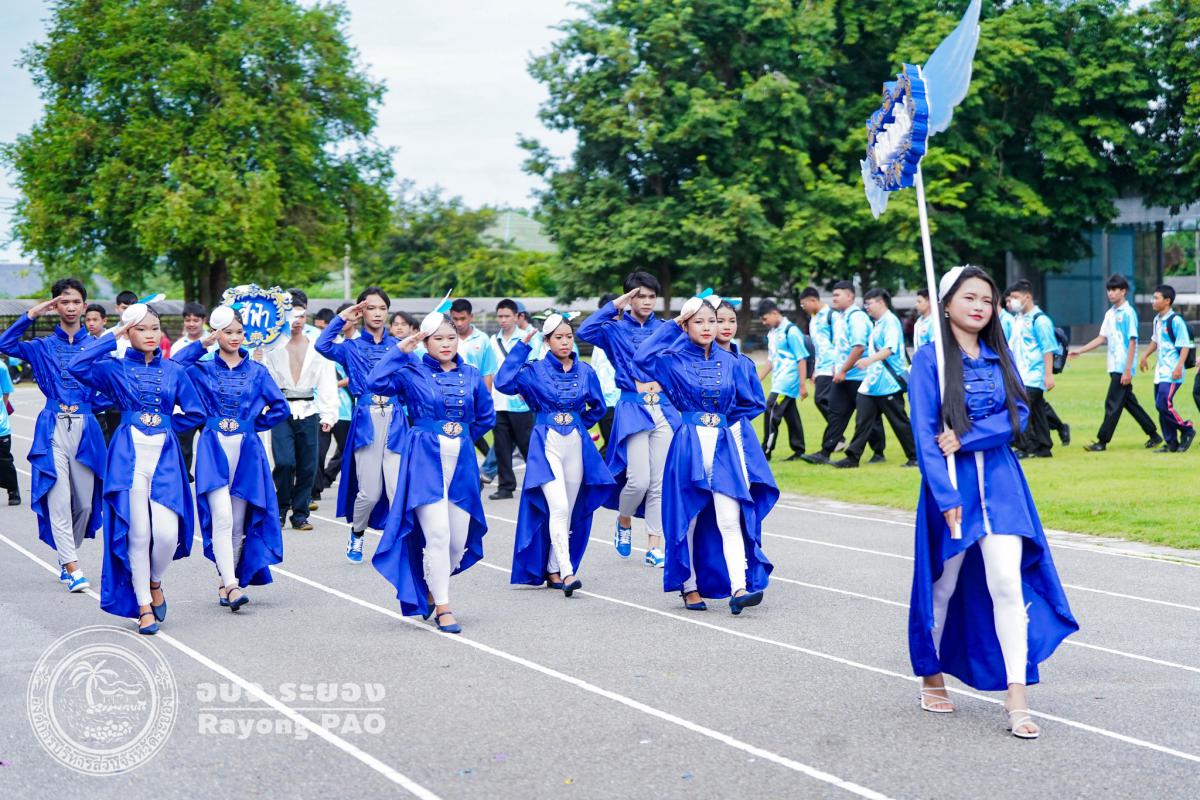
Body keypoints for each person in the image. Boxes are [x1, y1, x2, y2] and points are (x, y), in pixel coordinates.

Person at [909, 265, 1077, 740]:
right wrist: (945, 494)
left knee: (1006, 582)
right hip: (953, 486)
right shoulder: (930, 360)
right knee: (944, 584)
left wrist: (966, 436)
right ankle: (931, 673)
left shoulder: (1000, 356)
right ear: (946, 305)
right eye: (969, 298)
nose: (980, 306)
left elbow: (1018, 413)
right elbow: (924, 433)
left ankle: (1016, 695)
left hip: (1002, 485)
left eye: (987, 299)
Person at [634, 294, 776, 614]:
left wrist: (721, 418)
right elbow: (642, 359)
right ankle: (690, 586)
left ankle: (739, 588)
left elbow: (753, 402)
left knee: (729, 516)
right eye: (698, 321)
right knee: (689, 517)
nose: (708, 327)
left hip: (723, 445)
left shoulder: (732, 361)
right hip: (689, 445)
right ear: (686, 325)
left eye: (712, 320)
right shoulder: (672, 360)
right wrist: (673, 325)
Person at [69, 303, 205, 635]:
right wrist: (113, 334)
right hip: (128, 457)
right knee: (138, 533)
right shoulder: (113, 369)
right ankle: (143, 605)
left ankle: (155, 581)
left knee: (167, 535)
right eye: (141, 329)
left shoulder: (174, 370)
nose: (150, 335)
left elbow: (196, 411)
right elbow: (76, 365)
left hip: (165, 458)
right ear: (128, 332)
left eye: (155, 328)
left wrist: (167, 426)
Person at [366, 313, 495, 633]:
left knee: (457, 542)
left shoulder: (471, 374)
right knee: (437, 535)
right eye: (438, 338)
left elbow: (485, 417)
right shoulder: (411, 371)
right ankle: (444, 607)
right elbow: (374, 383)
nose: (446, 344)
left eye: (451, 337)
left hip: (462, 461)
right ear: (425, 341)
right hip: (424, 460)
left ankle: (430, 586)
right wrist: (400, 350)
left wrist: (459, 435)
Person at [173, 307, 289, 610]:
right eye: (227, 332)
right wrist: (202, 344)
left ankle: (227, 581)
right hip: (213, 449)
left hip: (246, 452)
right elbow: (172, 365)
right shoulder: (200, 370)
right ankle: (232, 585)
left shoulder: (258, 372)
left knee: (237, 523)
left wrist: (253, 425)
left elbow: (281, 407)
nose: (235, 337)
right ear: (217, 333)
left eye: (239, 332)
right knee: (222, 517)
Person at [0, 279, 108, 591]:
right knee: (58, 499)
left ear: (84, 306)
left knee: (85, 506)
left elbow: (111, 387)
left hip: (86, 428)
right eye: (63, 302)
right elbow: (5, 344)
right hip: (52, 427)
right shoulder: (42, 346)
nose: (70, 307)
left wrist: (92, 404)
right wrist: (32, 314)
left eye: (75, 302)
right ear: (55, 306)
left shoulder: (97, 347)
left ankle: (66, 553)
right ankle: (73, 567)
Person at [498, 313, 613, 593]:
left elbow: (598, 407)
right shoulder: (534, 370)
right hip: (546, 444)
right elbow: (503, 382)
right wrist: (522, 347)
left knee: (569, 509)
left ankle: (553, 569)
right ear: (547, 341)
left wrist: (578, 424)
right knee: (559, 506)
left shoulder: (585, 371)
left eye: (568, 336)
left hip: (576, 444)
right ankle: (568, 571)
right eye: (558, 337)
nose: (565, 342)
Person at [577, 271, 681, 568]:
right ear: (629, 298)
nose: (647, 302)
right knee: (638, 480)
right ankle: (624, 520)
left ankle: (654, 545)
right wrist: (618, 304)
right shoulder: (614, 329)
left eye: (651, 296)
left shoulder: (665, 328)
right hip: (633, 408)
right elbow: (584, 331)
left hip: (664, 409)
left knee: (659, 482)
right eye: (640, 296)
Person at [316, 287, 406, 562]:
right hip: (366, 419)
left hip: (396, 419)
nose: (377, 313)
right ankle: (357, 533)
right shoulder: (351, 348)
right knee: (370, 493)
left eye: (382, 308)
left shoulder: (398, 346)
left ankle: (397, 543)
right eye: (371, 308)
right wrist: (343, 318)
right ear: (361, 311)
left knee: (396, 488)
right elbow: (322, 345)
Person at [262, 291, 338, 531]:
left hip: (309, 409)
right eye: (292, 316)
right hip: (281, 410)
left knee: (308, 465)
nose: (297, 321)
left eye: (301, 316)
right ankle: (280, 508)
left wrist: (329, 414)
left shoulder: (317, 347)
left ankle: (300, 514)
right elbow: (264, 377)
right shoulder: (272, 346)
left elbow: (327, 381)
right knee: (284, 462)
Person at [1069, 274, 1161, 451]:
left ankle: (1102, 442)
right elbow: (1101, 338)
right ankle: (1154, 434)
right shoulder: (1110, 314)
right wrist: (1080, 351)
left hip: (1122, 367)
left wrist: (1127, 370)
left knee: (1112, 403)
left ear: (1123, 291)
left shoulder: (1128, 313)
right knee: (1129, 403)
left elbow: (1132, 342)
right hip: (1113, 366)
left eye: (1114, 289)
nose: (1110, 293)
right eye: (1109, 290)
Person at [833, 289, 917, 469]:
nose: (867, 307)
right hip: (871, 384)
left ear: (881, 302)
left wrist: (868, 361)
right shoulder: (877, 324)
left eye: (869, 303)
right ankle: (852, 457)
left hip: (888, 383)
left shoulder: (890, 322)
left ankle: (915, 456)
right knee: (863, 421)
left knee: (899, 421)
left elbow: (889, 349)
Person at [802, 281, 884, 465]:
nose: (834, 299)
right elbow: (840, 347)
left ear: (850, 296)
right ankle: (825, 452)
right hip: (844, 375)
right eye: (833, 295)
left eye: (837, 295)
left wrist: (843, 370)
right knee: (836, 414)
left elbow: (859, 347)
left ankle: (878, 452)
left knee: (867, 416)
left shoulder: (856, 318)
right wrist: (836, 367)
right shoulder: (842, 317)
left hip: (859, 376)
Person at [486, 299, 535, 500]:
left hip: (520, 403)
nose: (503, 320)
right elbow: (489, 369)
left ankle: (538, 483)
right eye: (500, 316)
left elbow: (533, 365)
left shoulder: (527, 338)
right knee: (502, 447)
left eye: (507, 316)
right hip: (498, 402)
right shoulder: (493, 340)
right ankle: (506, 486)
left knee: (527, 446)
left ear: (516, 317)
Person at [1004, 280, 1058, 458]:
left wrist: (1048, 375)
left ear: (1027, 297)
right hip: (1021, 374)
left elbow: (1048, 349)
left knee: (1019, 409)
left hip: (1033, 375)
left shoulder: (1040, 320)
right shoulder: (1019, 319)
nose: (1012, 301)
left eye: (1015, 297)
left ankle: (1025, 447)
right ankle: (1043, 446)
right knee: (1037, 411)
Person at [1139, 284, 1195, 453]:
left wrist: (1178, 367)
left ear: (1167, 301)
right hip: (1160, 371)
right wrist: (1144, 356)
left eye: (1156, 298)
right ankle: (1171, 443)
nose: (1153, 301)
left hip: (1173, 372)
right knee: (1160, 406)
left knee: (1163, 404)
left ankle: (1187, 429)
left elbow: (1185, 346)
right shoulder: (1157, 320)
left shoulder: (1176, 321)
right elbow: (1155, 341)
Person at [756, 299, 808, 461]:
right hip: (778, 380)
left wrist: (802, 384)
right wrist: (757, 379)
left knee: (771, 410)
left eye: (765, 318)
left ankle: (766, 451)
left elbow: (801, 358)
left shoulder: (791, 331)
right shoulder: (772, 333)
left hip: (787, 382)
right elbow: (771, 360)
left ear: (774, 313)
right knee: (791, 414)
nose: (764, 323)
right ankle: (799, 450)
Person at [173, 301, 210, 482]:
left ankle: (208, 479)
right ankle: (183, 482)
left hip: (210, 404)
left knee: (210, 445)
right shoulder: (179, 345)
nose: (191, 324)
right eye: (188, 320)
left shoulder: (214, 343)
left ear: (204, 320)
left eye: (196, 320)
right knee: (183, 446)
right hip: (186, 405)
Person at [799, 287, 837, 430]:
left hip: (832, 367)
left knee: (821, 399)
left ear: (813, 300)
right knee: (826, 401)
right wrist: (814, 370)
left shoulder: (832, 316)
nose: (803, 308)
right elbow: (816, 348)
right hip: (821, 367)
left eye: (804, 304)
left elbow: (839, 342)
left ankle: (837, 434)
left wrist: (838, 365)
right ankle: (837, 434)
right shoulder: (813, 320)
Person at [589, 294, 621, 458]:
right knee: (611, 445)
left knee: (620, 446)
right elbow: (594, 371)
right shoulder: (598, 341)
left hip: (624, 402)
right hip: (605, 403)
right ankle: (592, 468)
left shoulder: (625, 336)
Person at [0, 365, 17, 505]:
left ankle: (13, 489)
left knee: (4, 461)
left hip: (1, 427)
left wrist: (2, 414)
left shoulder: (1, 367)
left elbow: (6, 393)